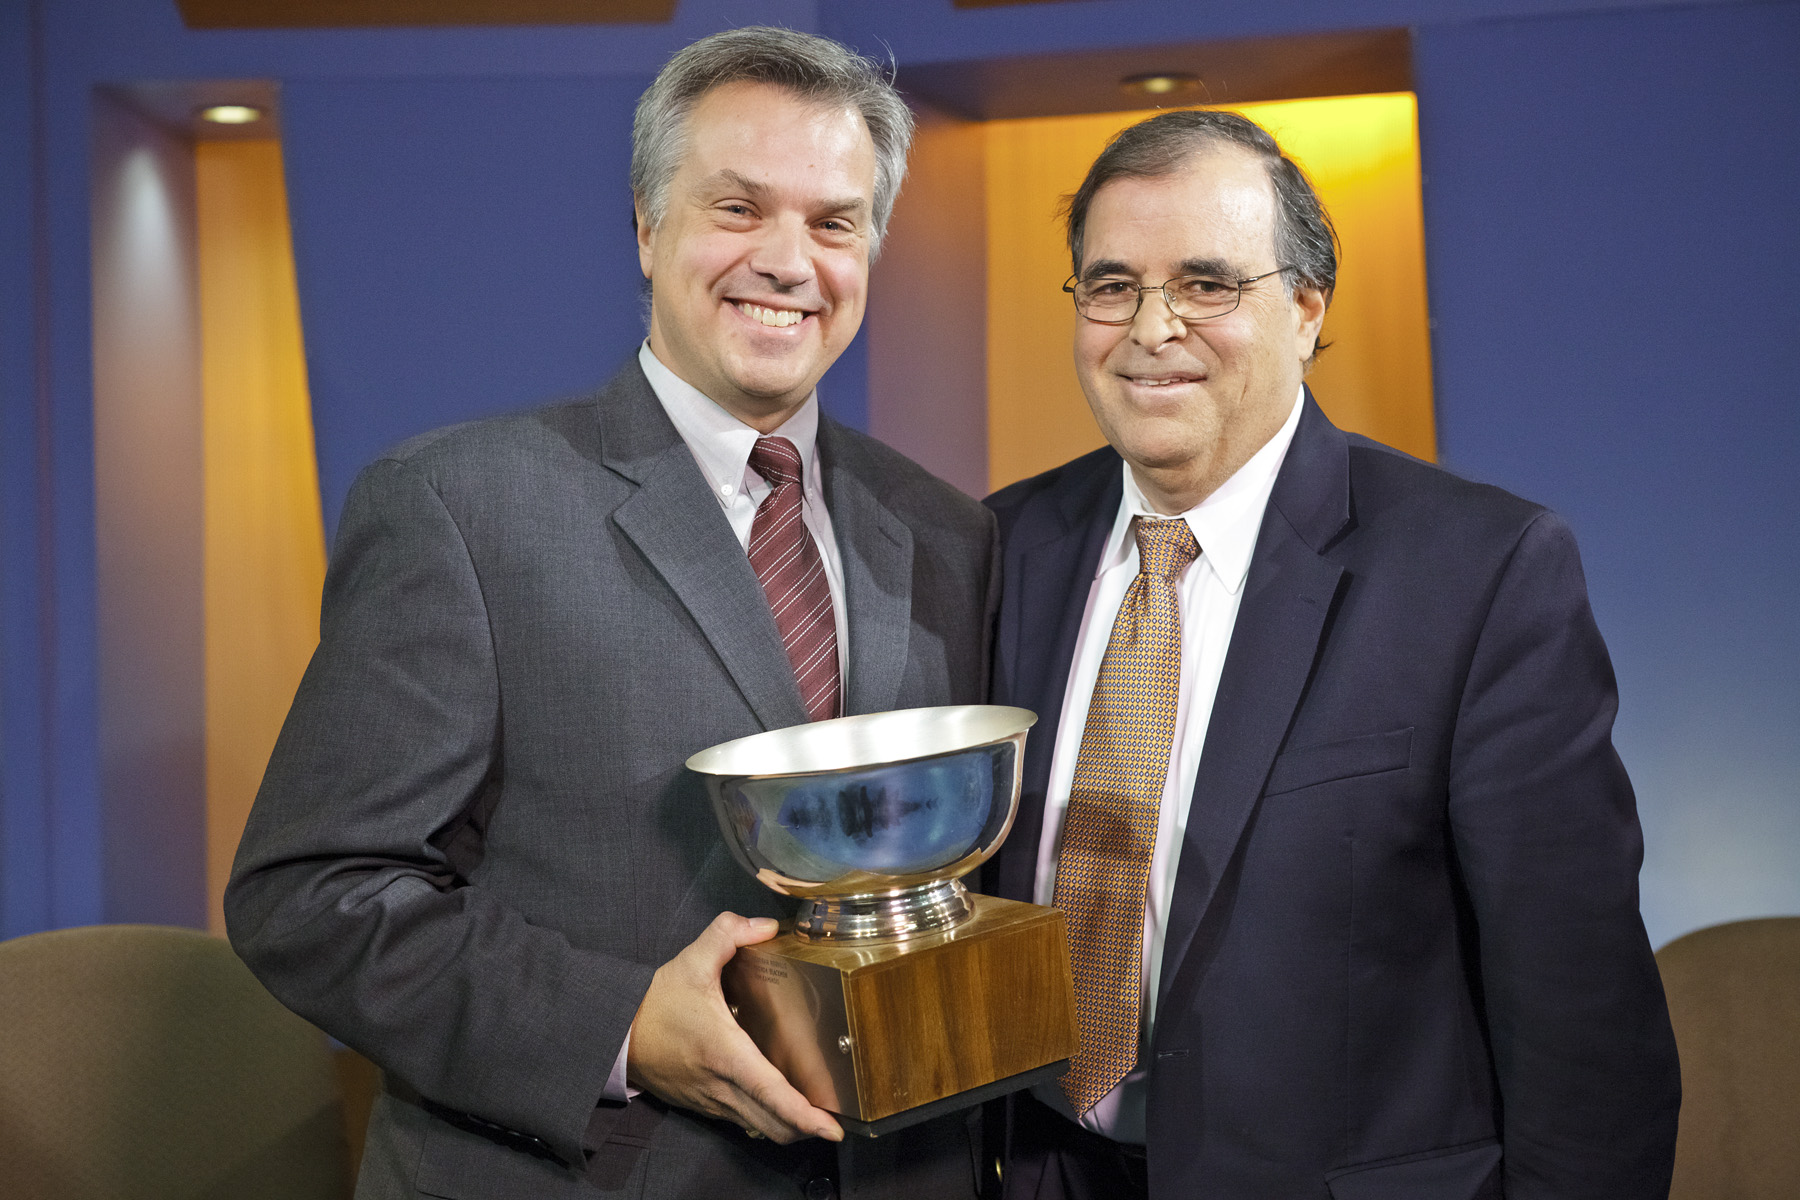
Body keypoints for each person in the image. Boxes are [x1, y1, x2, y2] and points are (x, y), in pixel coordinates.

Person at [226, 27, 995, 1200]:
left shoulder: (945, 530)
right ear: (647, 228)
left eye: (834, 223)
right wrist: (622, 1026)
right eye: (739, 209)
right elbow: (313, 896)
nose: (791, 261)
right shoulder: (458, 505)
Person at [982, 109, 1681, 1199]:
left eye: (1207, 285)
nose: (1150, 328)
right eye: (1112, 285)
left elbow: (1580, 1018)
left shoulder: (1482, 571)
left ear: (1307, 309)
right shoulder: (1000, 546)